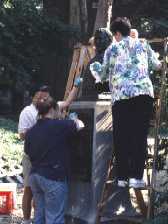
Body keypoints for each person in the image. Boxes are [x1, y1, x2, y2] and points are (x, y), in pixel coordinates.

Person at [90, 17, 162, 188]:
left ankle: (122, 177)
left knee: (121, 136)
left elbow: (103, 74)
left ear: (116, 33)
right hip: (143, 94)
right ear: (129, 30)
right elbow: (157, 65)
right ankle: (136, 177)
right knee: (139, 135)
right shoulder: (143, 44)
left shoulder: (112, 49)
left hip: (121, 96)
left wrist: (94, 68)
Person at [24, 96, 84, 224]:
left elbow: (28, 152)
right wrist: (73, 119)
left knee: (39, 214)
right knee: (54, 217)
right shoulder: (60, 126)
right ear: (52, 109)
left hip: (35, 177)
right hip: (53, 177)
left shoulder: (31, 131)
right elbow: (80, 125)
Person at [18, 85, 50, 224]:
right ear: (34, 97)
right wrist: (39, 128)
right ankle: (26, 220)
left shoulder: (50, 111)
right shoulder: (27, 111)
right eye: (39, 97)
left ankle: (39, 219)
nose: (42, 100)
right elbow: (21, 135)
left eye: (45, 98)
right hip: (31, 157)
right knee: (29, 189)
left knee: (41, 191)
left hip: (45, 156)